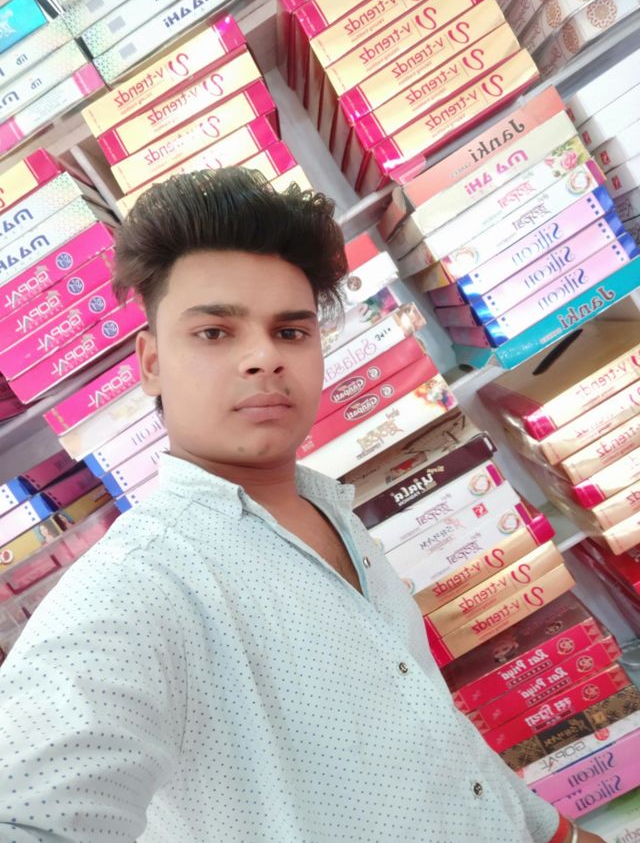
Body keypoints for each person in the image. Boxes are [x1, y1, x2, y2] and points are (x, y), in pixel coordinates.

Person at [0, 169, 603, 842]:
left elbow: (434, 739)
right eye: (214, 333)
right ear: (151, 363)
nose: (264, 358)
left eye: (290, 332)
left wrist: (558, 833)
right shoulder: (139, 586)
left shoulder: (333, 512)